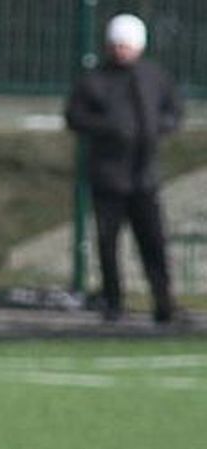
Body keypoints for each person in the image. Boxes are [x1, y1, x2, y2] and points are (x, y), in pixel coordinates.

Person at [65, 12, 185, 323]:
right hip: (108, 176)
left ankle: (163, 300)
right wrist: (110, 128)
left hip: (144, 176)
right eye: (117, 45)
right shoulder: (95, 79)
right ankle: (113, 300)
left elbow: (173, 111)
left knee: (153, 241)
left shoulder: (154, 77)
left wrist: (160, 126)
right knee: (107, 243)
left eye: (127, 45)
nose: (122, 50)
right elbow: (74, 116)